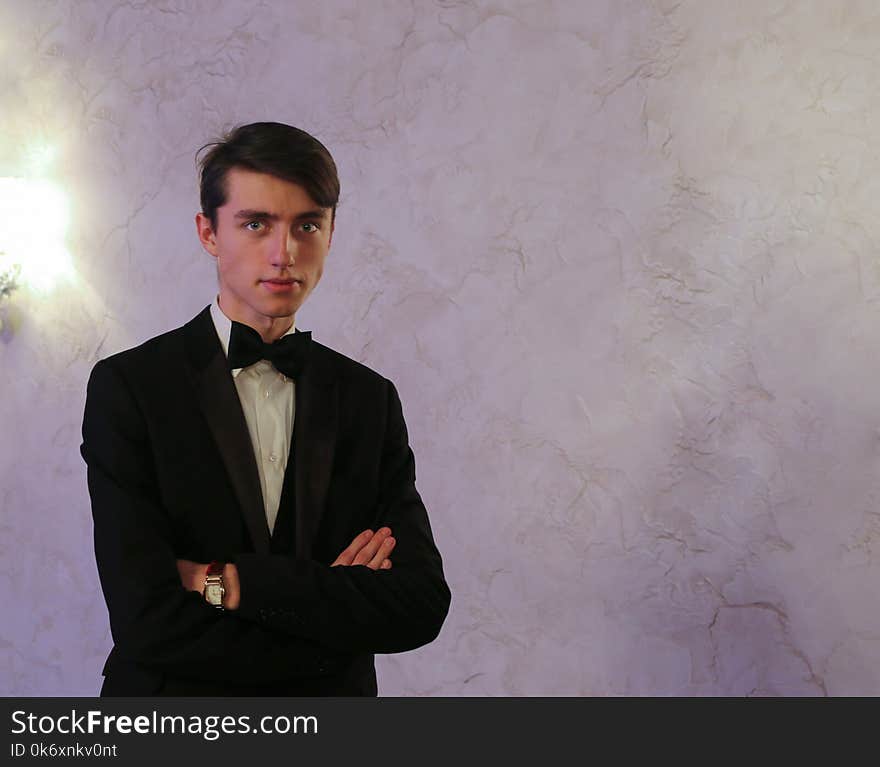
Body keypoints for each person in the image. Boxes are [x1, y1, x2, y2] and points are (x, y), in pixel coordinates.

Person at [80, 122, 451, 696]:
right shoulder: (130, 386)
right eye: (256, 224)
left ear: (331, 232)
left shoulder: (368, 399)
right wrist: (330, 622)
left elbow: (418, 605)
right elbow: (145, 618)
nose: (284, 253)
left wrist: (230, 584)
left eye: (307, 225)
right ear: (208, 232)